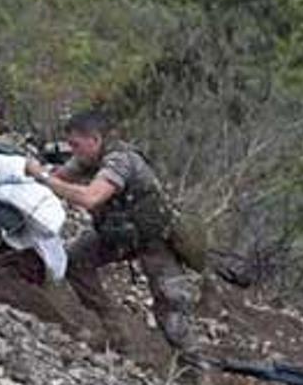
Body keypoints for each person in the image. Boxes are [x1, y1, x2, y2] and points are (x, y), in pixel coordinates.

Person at [24, 110, 199, 357]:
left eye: (76, 144)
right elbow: (57, 180)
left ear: (95, 140)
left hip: (155, 241)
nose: (72, 151)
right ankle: (117, 332)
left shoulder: (121, 160)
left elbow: (89, 197)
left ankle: (195, 370)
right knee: (74, 261)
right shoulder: (86, 159)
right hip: (117, 235)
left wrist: (40, 175)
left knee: (172, 312)